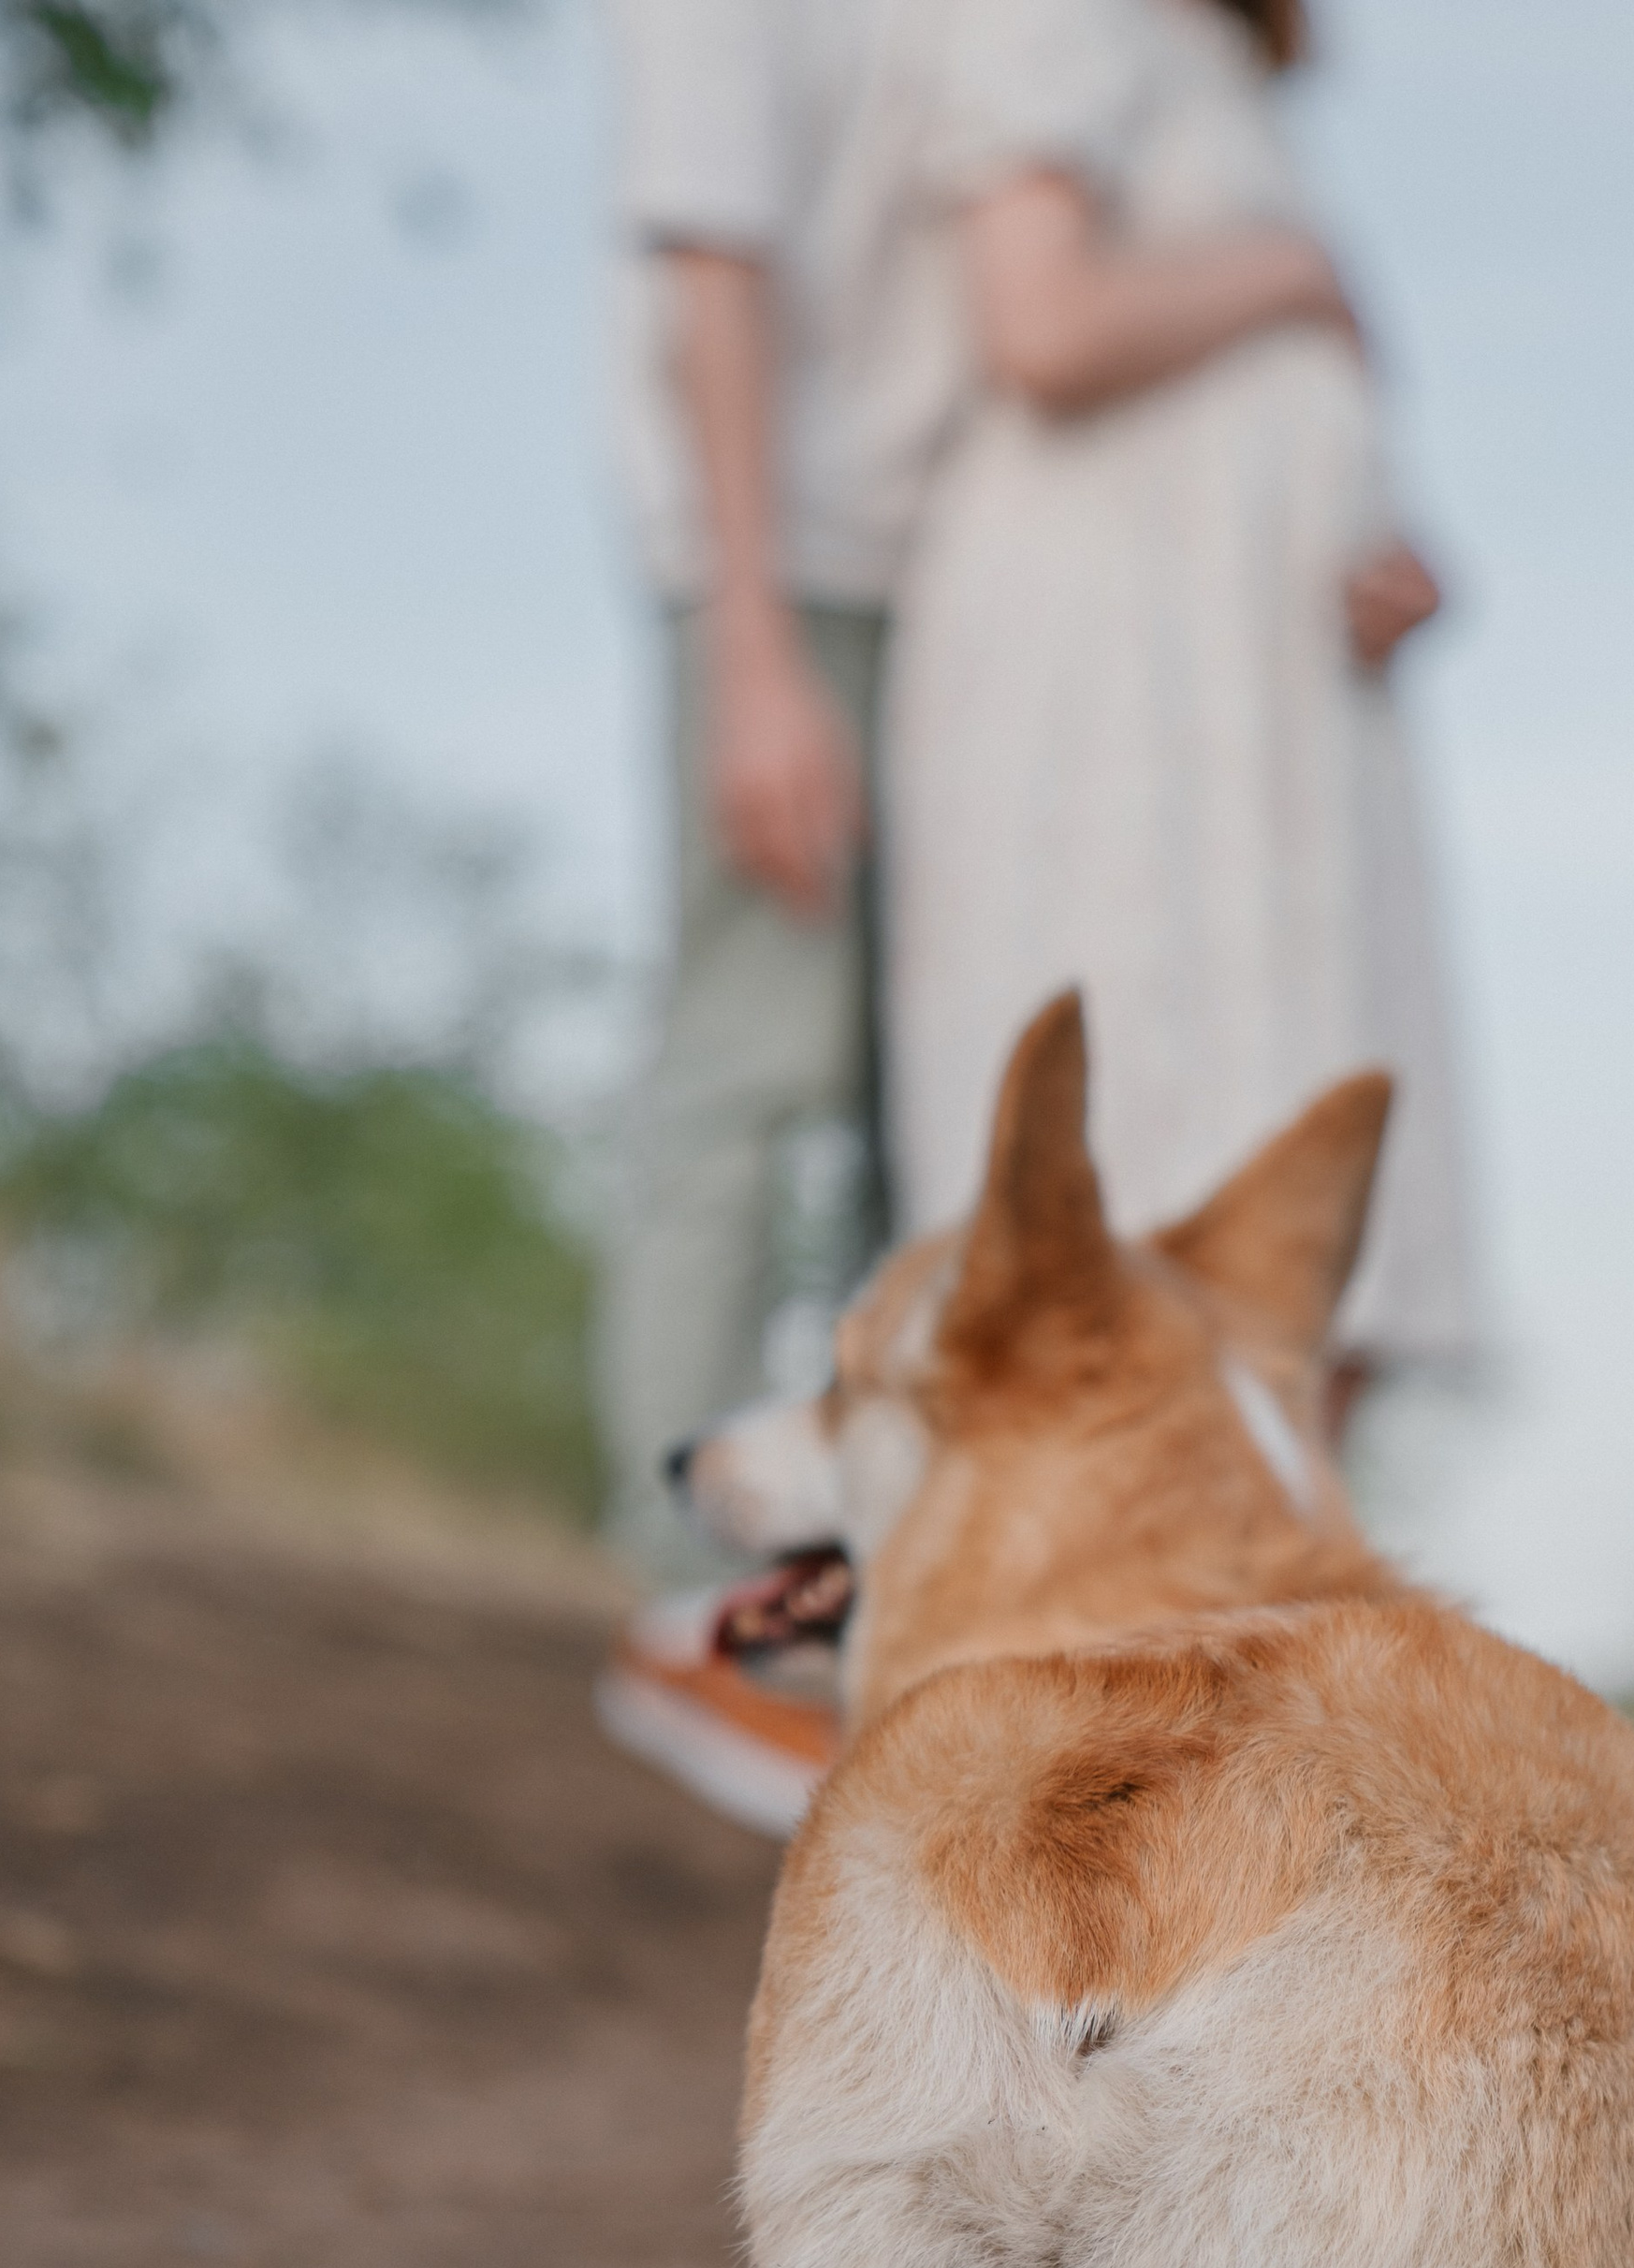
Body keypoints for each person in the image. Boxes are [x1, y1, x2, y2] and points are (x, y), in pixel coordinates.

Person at [884, 0, 1483, 1428]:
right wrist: (1293, 272)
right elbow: (1042, 324)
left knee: (1307, 1192)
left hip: (1282, 724)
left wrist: (1386, 548)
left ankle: (1244, 1634)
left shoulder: (1230, 69)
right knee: (1142, 1159)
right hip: (1118, 685)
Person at [591, 0, 968, 1826]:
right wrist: (749, 645)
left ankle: (877, 1600)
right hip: (785, 574)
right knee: (749, 1069)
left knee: (934, 1114)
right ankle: (694, 1608)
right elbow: (705, 265)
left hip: (966, 592)